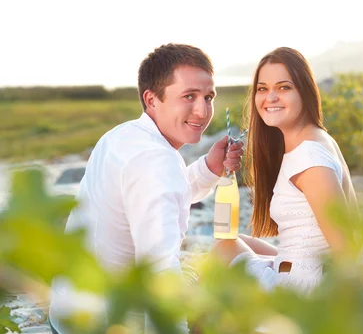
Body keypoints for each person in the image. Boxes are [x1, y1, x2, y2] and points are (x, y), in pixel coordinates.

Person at [49, 44, 244, 333]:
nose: (203, 111)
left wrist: (208, 168)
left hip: (66, 315)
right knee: (231, 272)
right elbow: (159, 268)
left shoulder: (122, 136)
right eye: (189, 96)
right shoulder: (156, 161)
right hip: (107, 323)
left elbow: (158, 200)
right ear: (151, 100)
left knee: (232, 256)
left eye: (208, 97)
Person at [210, 47, 358, 295]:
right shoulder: (313, 139)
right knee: (232, 242)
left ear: (305, 91)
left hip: (307, 294)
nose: (270, 98)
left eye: (283, 87)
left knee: (220, 254)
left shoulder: (309, 159)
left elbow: (346, 249)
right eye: (262, 88)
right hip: (306, 268)